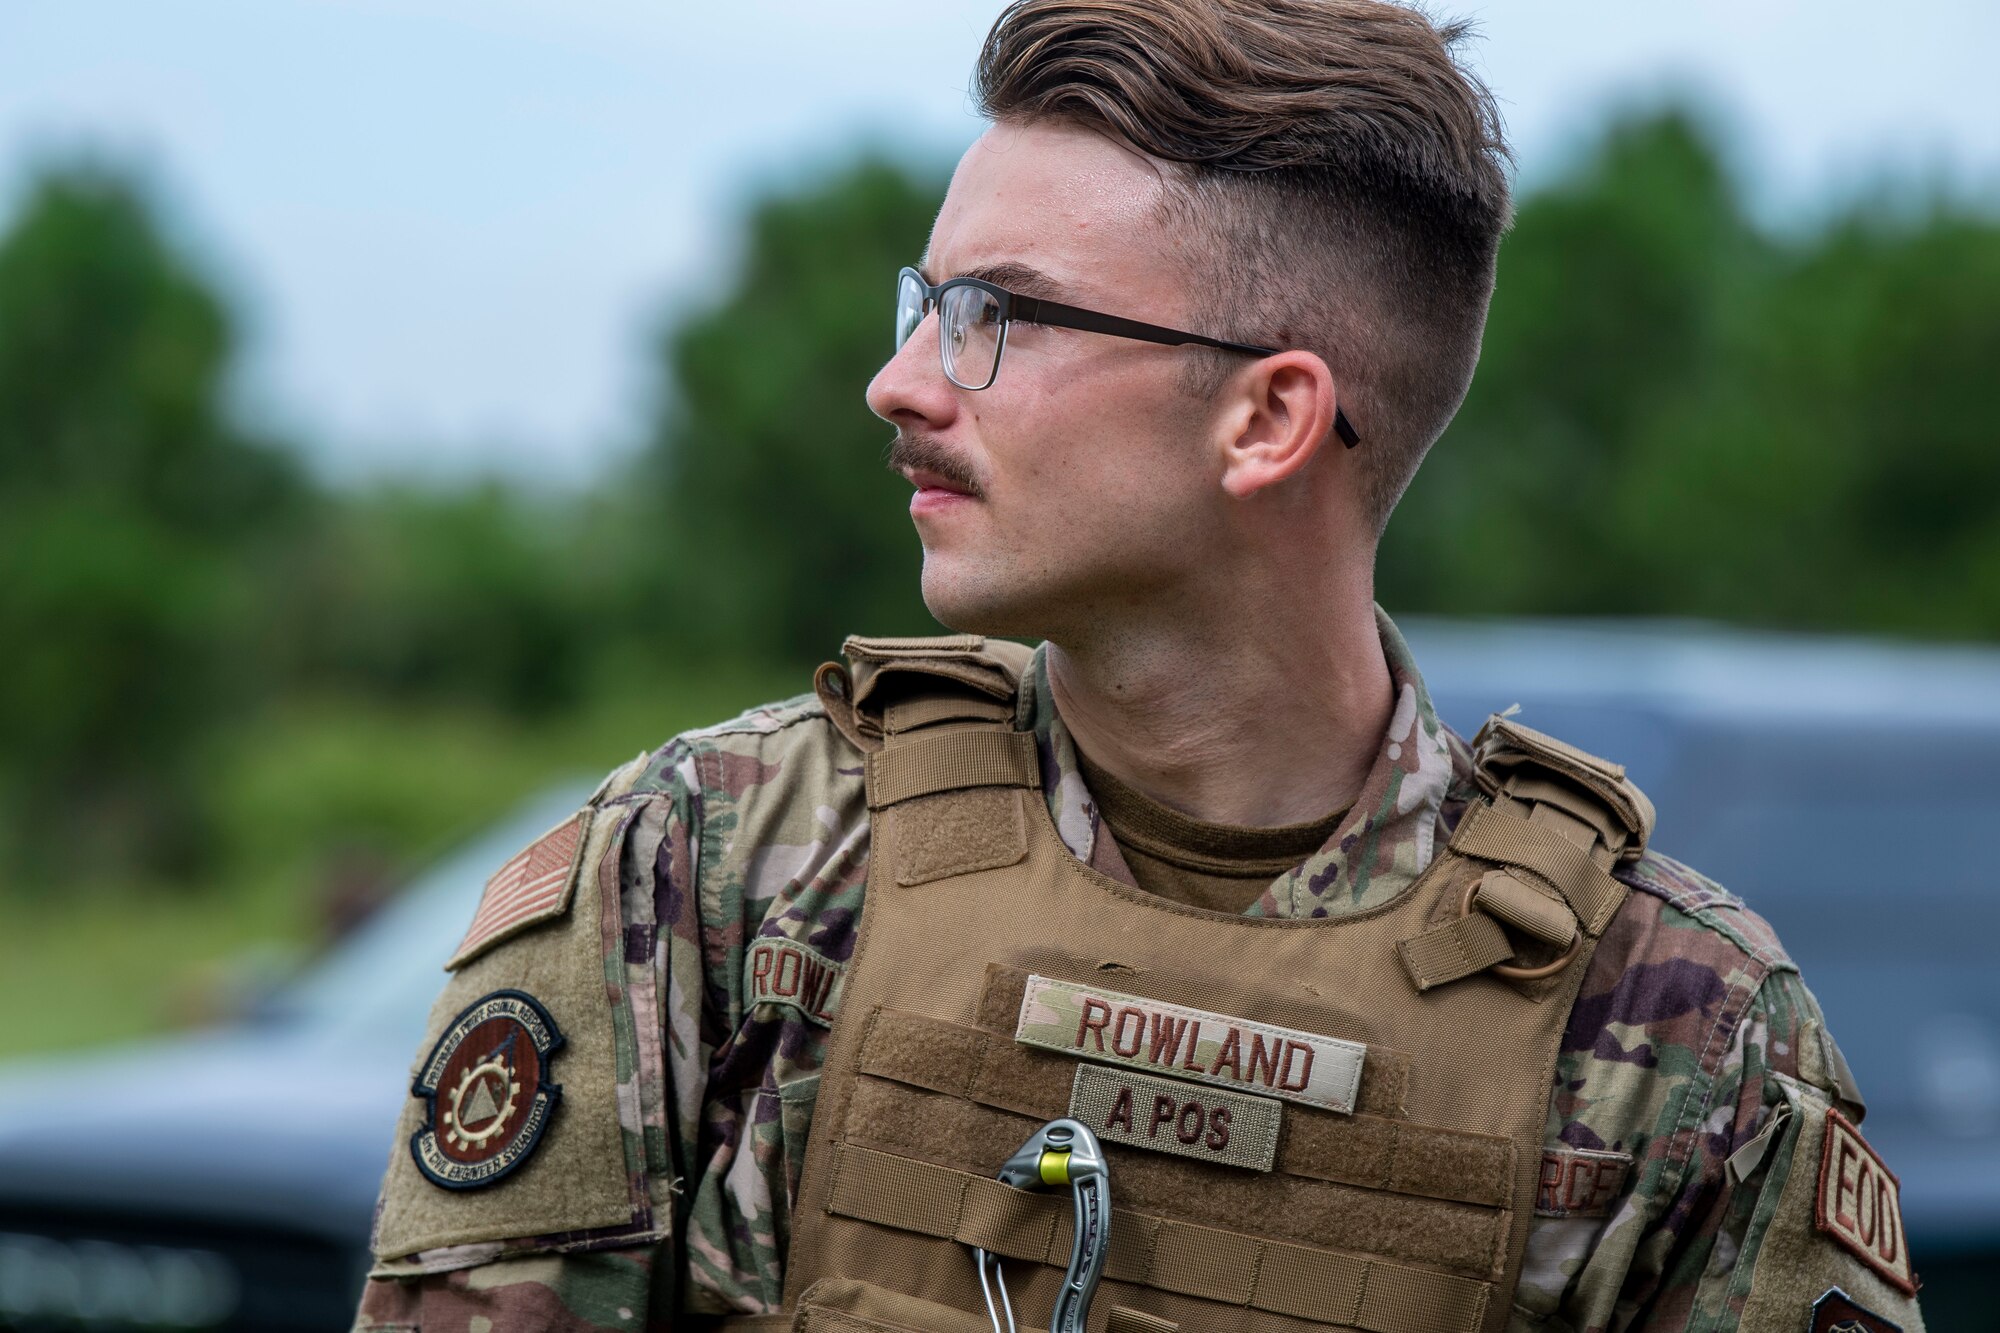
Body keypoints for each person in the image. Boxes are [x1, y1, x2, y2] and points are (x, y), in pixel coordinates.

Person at [353, 1, 1924, 1329]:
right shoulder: (718, 866)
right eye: (925, 303)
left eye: (1003, 316)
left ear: (1267, 419)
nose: (899, 382)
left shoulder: (1681, 1034)